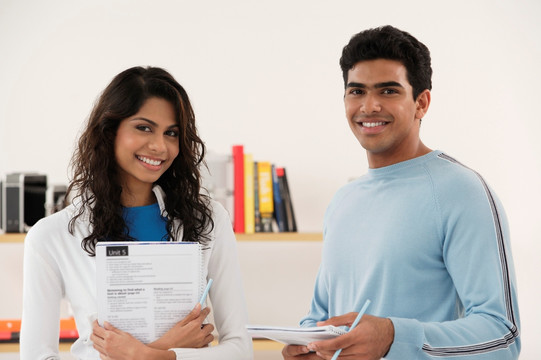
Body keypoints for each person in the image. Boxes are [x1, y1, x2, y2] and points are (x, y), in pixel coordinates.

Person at [282, 25, 520, 360]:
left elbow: (503, 335)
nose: (370, 106)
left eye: (389, 91)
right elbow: (322, 317)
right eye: (357, 91)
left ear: (421, 103)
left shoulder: (462, 192)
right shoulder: (343, 201)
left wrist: (394, 338)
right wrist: (306, 344)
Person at [20, 66, 253, 360]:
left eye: (172, 133)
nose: (160, 146)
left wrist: (149, 356)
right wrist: (160, 350)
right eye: (144, 127)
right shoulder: (51, 236)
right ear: (110, 130)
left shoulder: (210, 219)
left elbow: (241, 349)